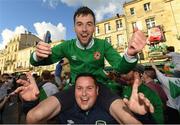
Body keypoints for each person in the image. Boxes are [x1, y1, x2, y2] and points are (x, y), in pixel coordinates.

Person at [28, 6, 149, 123]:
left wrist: (131, 54)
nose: (84, 29)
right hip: (75, 87)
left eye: (89, 24)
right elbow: (38, 61)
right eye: (79, 24)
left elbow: (120, 67)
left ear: (94, 27)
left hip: (100, 87)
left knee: (130, 120)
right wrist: (37, 55)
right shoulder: (67, 46)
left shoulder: (103, 45)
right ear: (74, 28)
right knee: (33, 117)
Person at [13, 72, 154, 124]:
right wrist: (31, 104)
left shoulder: (110, 115)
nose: (84, 94)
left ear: (98, 91)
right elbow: (34, 119)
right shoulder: (63, 113)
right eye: (79, 88)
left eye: (89, 88)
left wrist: (142, 118)